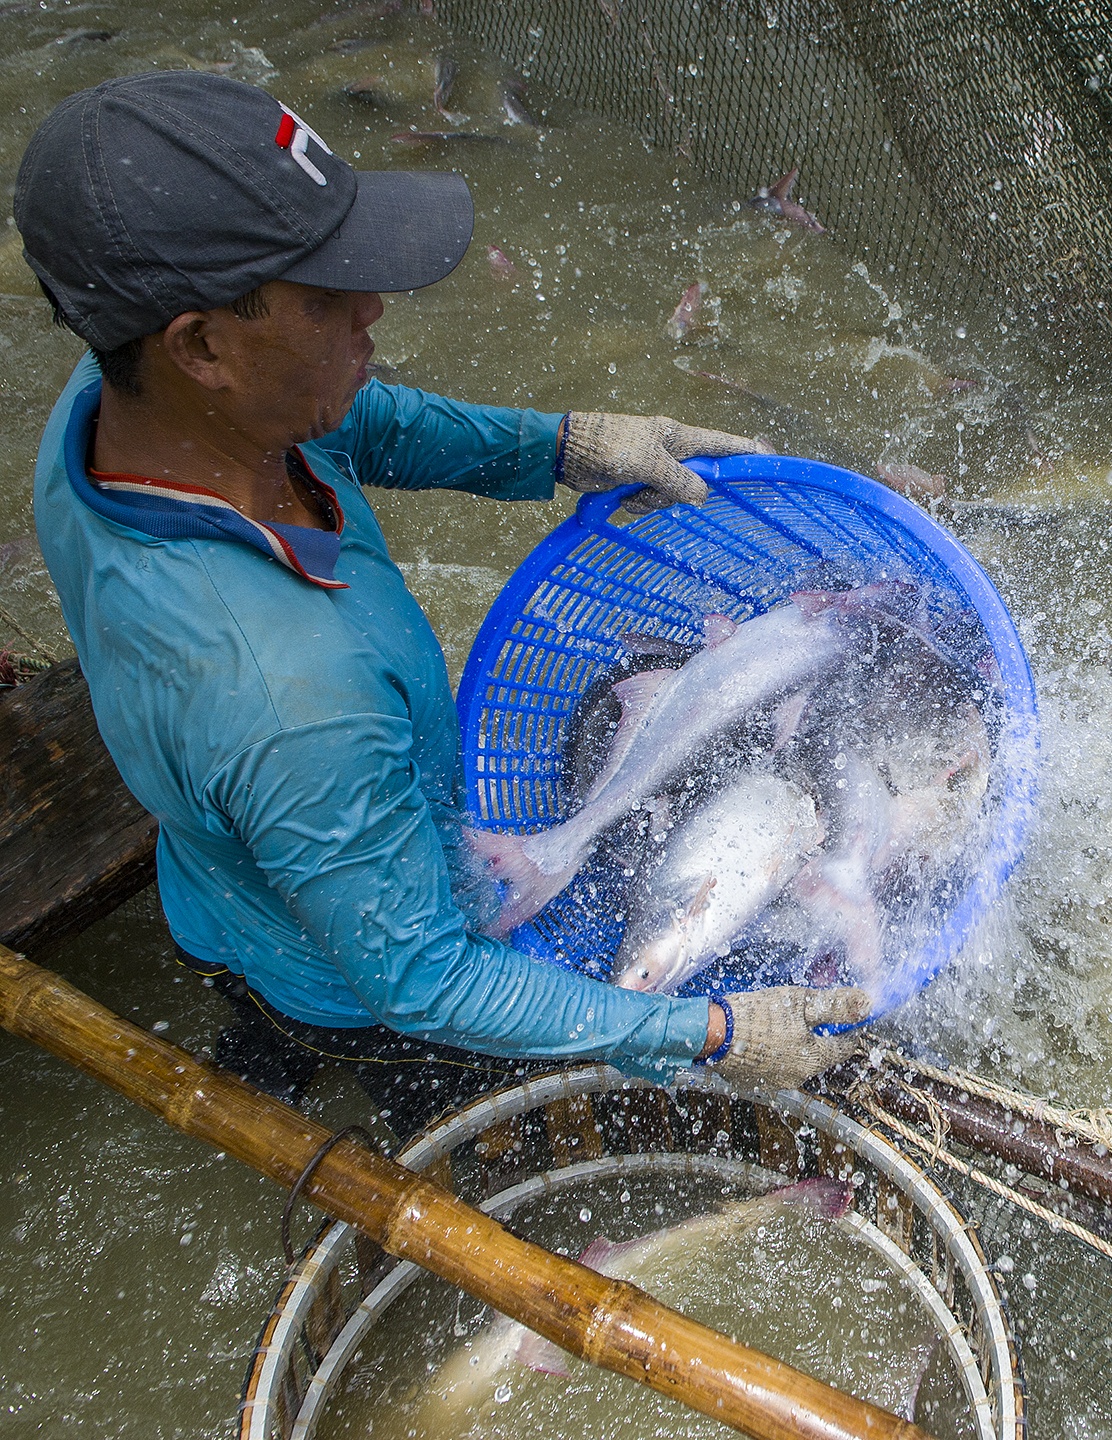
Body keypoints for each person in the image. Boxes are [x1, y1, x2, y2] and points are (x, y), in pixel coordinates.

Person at [19, 72, 869, 1139]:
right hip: (366, 987)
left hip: (219, 895)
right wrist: (706, 1031)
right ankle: (328, 1056)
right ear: (200, 347)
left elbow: (354, 421)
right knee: (454, 1108)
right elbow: (426, 980)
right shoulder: (294, 698)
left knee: (264, 969)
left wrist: (559, 446)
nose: (373, 308)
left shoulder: (115, 407)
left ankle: (264, 1036)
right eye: (325, 296)